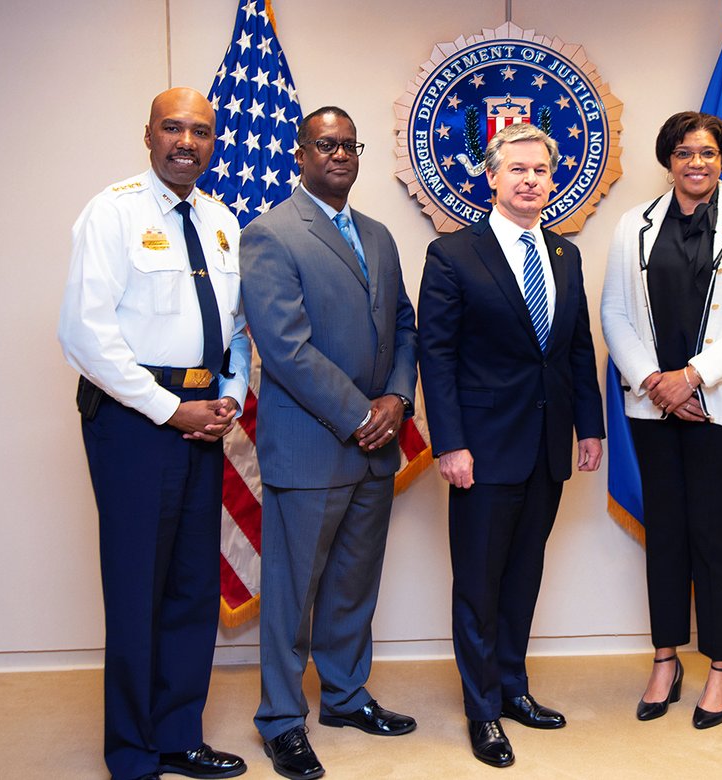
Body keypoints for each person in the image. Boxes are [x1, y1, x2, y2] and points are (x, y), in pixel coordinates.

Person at [58, 87, 249, 780]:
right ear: (148, 135)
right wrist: (170, 409)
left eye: (200, 130)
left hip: (205, 423)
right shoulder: (113, 212)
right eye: (173, 128)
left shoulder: (222, 220)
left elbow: (234, 330)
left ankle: (178, 736)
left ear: (213, 142)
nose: (186, 141)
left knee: (192, 587)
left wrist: (227, 397)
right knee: (139, 586)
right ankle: (133, 752)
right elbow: (86, 334)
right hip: (136, 425)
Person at [240, 106, 418, 780]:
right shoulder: (271, 234)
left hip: (374, 446)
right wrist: (360, 413)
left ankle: (344, 696)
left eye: (349, 144)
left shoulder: (377, 236)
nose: (339, 154)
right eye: (326, 144)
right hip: (314, 445)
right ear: (301, 153)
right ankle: (282, 721)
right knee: (292, 594)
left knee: (351, 586)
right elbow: (285, 349)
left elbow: (405, 325)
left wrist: (397, 400)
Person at [418, 122, 605, 768]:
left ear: (554, 181)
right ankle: (482, 710)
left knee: (523, 576)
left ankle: (513, 687)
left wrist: (591, 425)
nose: (530, 180)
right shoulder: (453, 256)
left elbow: (576, 347)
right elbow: (435, 357)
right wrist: (450, 443)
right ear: (491, 177)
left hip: (548, 447)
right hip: (482, 449)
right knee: (478, 583)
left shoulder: (564, 255)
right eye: (517, 169)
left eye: (541, 171)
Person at [601, 111, 722, 729]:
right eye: (684, 153)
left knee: (713, 534)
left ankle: (721, 666)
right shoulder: (635, 225)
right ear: (669, 160)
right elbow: (614, 314)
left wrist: (693, 377)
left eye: (707, 152)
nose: (696, 163)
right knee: (667, 535)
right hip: (653, 405)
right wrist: (657, 382)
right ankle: (664, 659)